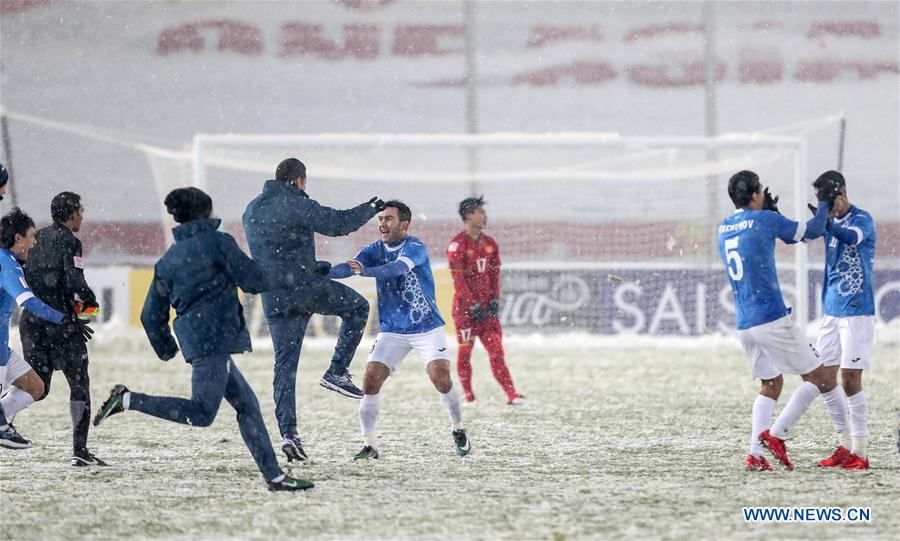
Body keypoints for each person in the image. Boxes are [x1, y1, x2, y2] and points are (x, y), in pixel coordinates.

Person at [93, 187, 313, 491]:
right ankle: (127, 399)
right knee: (201, 413)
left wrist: (167, 347)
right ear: (206, 212)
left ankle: (274, 477)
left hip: (201, 342)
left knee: (247, 406)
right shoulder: (219, 243)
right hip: (215, 340)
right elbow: (254, 280)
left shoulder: (168, 260)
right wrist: (300, 274)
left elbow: (149, 315)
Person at [242, 157, 383, 462]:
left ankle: (289, 434)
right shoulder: (294, 202)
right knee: (358, 308)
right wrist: (369, 209)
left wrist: (312, 266)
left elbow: (275, 250)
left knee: (284, 368)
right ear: (299, 180)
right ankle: (336, 371)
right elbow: (336, 224)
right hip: (303, 288)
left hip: (274, 298)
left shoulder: (251, 209)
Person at [718, 170, 846, 471]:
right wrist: (826, 203)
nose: (763, 193)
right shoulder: (765, 220)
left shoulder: (723, 227)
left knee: (771, 383)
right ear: (753, 195)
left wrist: (770, 217)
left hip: (745, 324)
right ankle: (781, 436)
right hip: (771, 318)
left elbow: (754, 240)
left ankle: (755, 455)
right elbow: (813, 230)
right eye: (761, 189)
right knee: (821, 378)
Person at [329, 200, 470, 460]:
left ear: (404, 224)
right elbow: (350, 267)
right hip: (392, 330)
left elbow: (396, 269)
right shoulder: (372, 249)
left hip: (426, 327)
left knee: (441, 379)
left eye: (388, 219)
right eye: (380, 219)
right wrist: (322, 273)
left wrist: (365, 271)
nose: (382, 223)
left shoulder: (415, 247)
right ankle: (370, 446)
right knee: (370, 381)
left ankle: (458, 428)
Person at [18, 191, 101, 465]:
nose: (83, 217)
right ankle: (80, 451)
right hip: (61, 325)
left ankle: (2, 417)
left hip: (31, 323)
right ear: (73, 214)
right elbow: (76, 283)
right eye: (82, 211)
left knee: (37, 387)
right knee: (79, 386)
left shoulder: (35, 237)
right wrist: (90, 306)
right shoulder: (71, 242)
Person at [810, 171, 876, 470]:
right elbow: (808, 232)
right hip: (831, 310)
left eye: (827, 199)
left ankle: (860, 453)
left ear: (842, 193)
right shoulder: (828, 222)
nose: (825, 206)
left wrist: (828, 224)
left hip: (857, 310)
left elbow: (850, 238)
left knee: (850, 379)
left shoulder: (863, 219)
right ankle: (844, 444)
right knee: (824, 379)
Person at [0, 205, 66, 449]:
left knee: (35, 387)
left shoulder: (9, 260)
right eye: (32, 237)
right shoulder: (6, 264)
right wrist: (63, 320)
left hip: (2, 347)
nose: (35, 243)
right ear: (18, 239)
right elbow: (26, 301)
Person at [447, 196, 524, 404]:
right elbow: (459, 281)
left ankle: (511, 393)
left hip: (487, 313)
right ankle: (469, 395)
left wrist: (494, 300)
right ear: (469, 215)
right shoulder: (457, 245)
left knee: (497, 351)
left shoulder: (490, 244)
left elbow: (494, 275)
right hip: (465, 312)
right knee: (465, 353)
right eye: (481, 212)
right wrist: (471, 304)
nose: (485, 216)